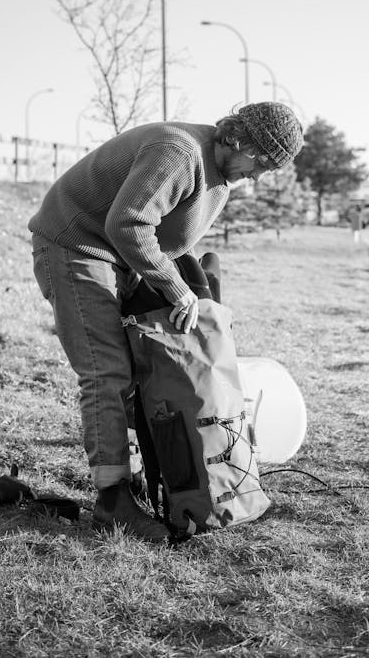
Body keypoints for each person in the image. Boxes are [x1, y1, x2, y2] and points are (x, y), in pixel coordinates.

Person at [28, 101, 303, 541]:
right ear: (240, 140)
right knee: (106, 371)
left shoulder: (221, 178)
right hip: (76, 247)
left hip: (121, 260)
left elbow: (169, 242)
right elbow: (130, 224)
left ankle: (136, 472)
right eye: (261, 163)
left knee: (151, 365)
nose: (258, 176)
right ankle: (112, 499)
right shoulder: (178, 152)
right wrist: (174, 289)